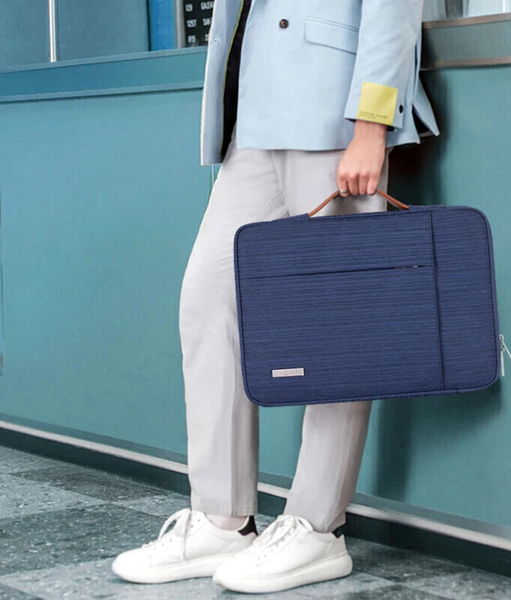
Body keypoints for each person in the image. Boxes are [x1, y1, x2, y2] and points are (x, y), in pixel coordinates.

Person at [112, 0, 439, 594]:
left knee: (337, 328)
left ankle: (317, 526)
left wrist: (372, 127)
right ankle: (222, 519)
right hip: (253, 125)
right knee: (208, 303)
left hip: (334, 121)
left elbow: (391, 12)